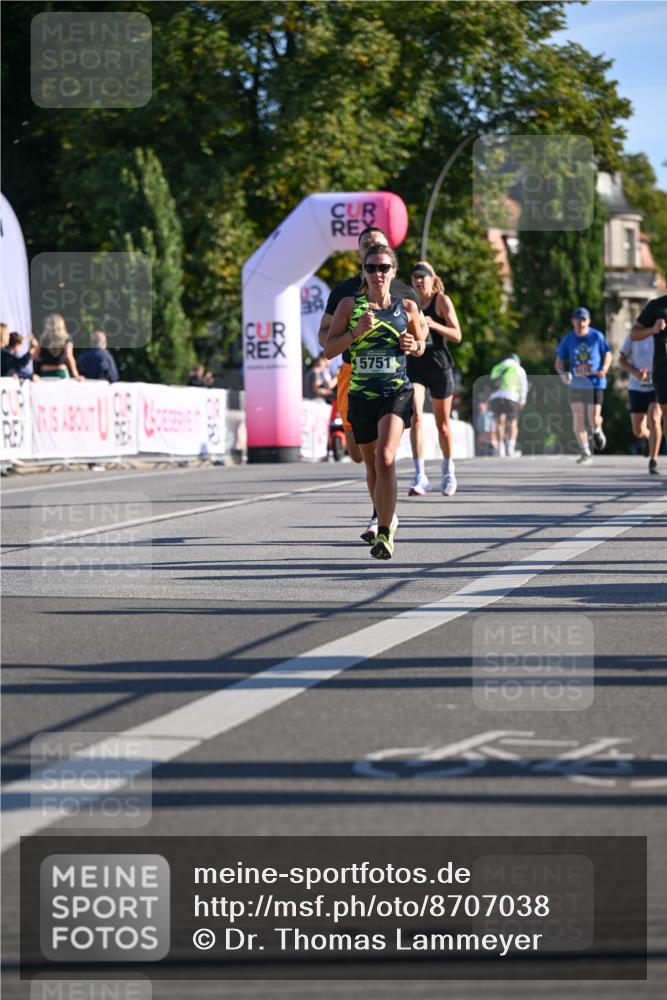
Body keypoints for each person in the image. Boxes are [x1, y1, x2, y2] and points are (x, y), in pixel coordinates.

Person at [318, 225, 424, 543]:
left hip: (395, 389)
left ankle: (383, 527)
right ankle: (381, 510)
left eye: (383, 266)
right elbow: (327, 345)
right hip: (357, 383)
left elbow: (421, 342)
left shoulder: (406, 300)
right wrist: (354, 333)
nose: (377, 272)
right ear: (361, 259)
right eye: (371, 265)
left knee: (385, 457)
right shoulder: (347, 300)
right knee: (361, 457)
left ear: (393, 266)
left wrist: (413, 346)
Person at [408, 261, 462, 495]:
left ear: (432, 279)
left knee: (443, 425)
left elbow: (457, 334)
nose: (419, 281)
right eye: (415, 277)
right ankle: (420, 476)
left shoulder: (441, 301)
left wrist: (434, 325)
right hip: (415, 366)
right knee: (416, 418)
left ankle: (448, 471)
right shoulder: (409, 303)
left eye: (423, 277)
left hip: (439, 366)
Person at [555, 307, 611, 464]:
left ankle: (597, 430)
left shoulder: (596, 336)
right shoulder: (568, 339)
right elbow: (559, 361)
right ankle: (585, 450)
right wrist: (562, 374)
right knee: (578, 416)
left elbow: (608, 354)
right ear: (573, 321)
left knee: (593, 418)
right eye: (578, 319)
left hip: (595, 382)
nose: (580, 323)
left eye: (583, 319)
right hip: (577, 384)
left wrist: (604, 369)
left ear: (589, 321)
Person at [631, 292, 667, 474]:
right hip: (662, 372)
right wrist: (652, 329)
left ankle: (654, 459)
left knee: (656, 417)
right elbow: (634, 333)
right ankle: (654, 458)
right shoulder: (656, 307)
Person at [618, 328, 662, 474]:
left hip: (659, 383)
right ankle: (649, 437)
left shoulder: (662, 333)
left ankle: (653, 461)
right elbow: (621, 360)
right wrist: (635, 372)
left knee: (654, 418)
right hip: (637, 385)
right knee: (638, 430)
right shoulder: (634, 334)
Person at [488, 353, 528, 457]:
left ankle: (500, 449)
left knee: (499, 422)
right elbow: (523, 385)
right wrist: (522, 400)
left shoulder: (496, 367)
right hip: (511, 396)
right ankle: (510, 449)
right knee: (512, 423)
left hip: (495, 397)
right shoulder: (518, 368)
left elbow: (490, 383)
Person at [33, 314, 84, 380]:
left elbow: (35, 356)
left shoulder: (43, 339)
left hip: (45, 371)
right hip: (60, 371)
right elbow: (69, 356)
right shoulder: (66, 339)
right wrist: (75, 374)